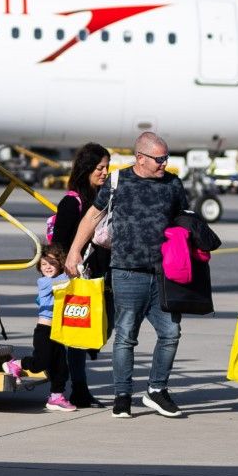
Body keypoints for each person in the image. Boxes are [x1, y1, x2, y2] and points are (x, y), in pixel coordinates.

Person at [66, 131, 192, 419]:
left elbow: (185, 219)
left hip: (163, 274)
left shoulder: (173, 183)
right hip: (126, 272)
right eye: (159, 159)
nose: (164, 164)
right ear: (140, 158)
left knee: (171, 333)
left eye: (166, 158)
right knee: (125, 336)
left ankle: (157, 390)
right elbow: (93, 217)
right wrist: (75, 251)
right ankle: (122, 396)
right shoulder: (117, 181)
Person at [48, 142, 108, 407]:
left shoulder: (102, 199)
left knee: (101, 328)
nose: (105, 172)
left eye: (107, 167)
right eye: (100, 167)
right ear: (86, 169)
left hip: (98, 277)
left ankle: (79, 385)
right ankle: (78, 389)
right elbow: (58, 243)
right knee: (75, 340)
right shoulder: (72, 202)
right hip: (75, 280)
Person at [5, 244, 76, 412]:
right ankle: (16, 364)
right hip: (44, 332)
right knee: (39, 363)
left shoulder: (63, 281)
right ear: (39, 267)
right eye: (44, 264)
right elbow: (62, 282)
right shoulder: (45, 282)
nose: (48, 267)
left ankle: (56, 397)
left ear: (60, 264)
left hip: (58, 331)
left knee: (60, 367)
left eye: (52, 263)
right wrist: (74, 272)